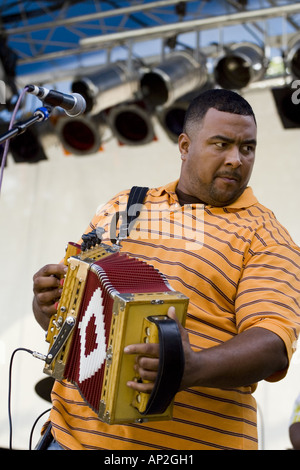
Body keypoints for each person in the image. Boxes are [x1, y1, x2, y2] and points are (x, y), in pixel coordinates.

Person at [32, 88, 300, 450]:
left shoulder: (266, 236)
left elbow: (272, 344)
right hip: (70, 439)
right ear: (185, 146)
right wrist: (47, 304)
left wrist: (192, 368)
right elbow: (73, 313)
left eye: (247, 148)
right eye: (221, 144)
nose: (237, 159)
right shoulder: (128, 206)